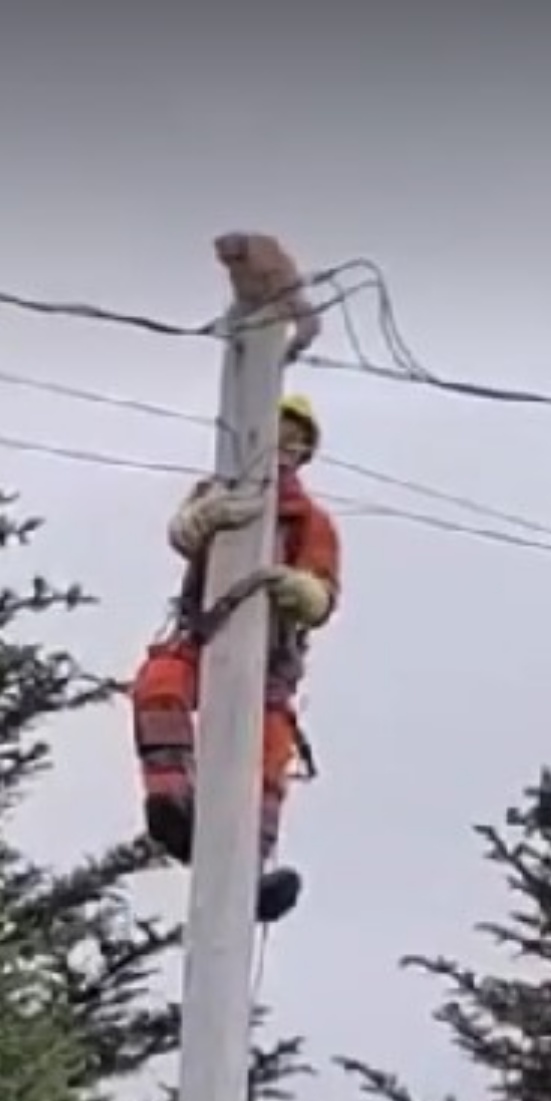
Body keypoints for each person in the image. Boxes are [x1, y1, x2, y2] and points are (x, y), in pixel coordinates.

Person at [129, 392, 341, 923]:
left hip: (268, 658)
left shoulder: (310, 523)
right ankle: (171, 799)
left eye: (296, 440)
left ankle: (248, 863)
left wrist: (299, 590)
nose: (283, 449)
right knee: (160, 684)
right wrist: (201, 520)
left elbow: (323, 594)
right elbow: (182, 533)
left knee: (267, 751)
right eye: (279, 434)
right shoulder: (215, 495)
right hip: (205, 631)